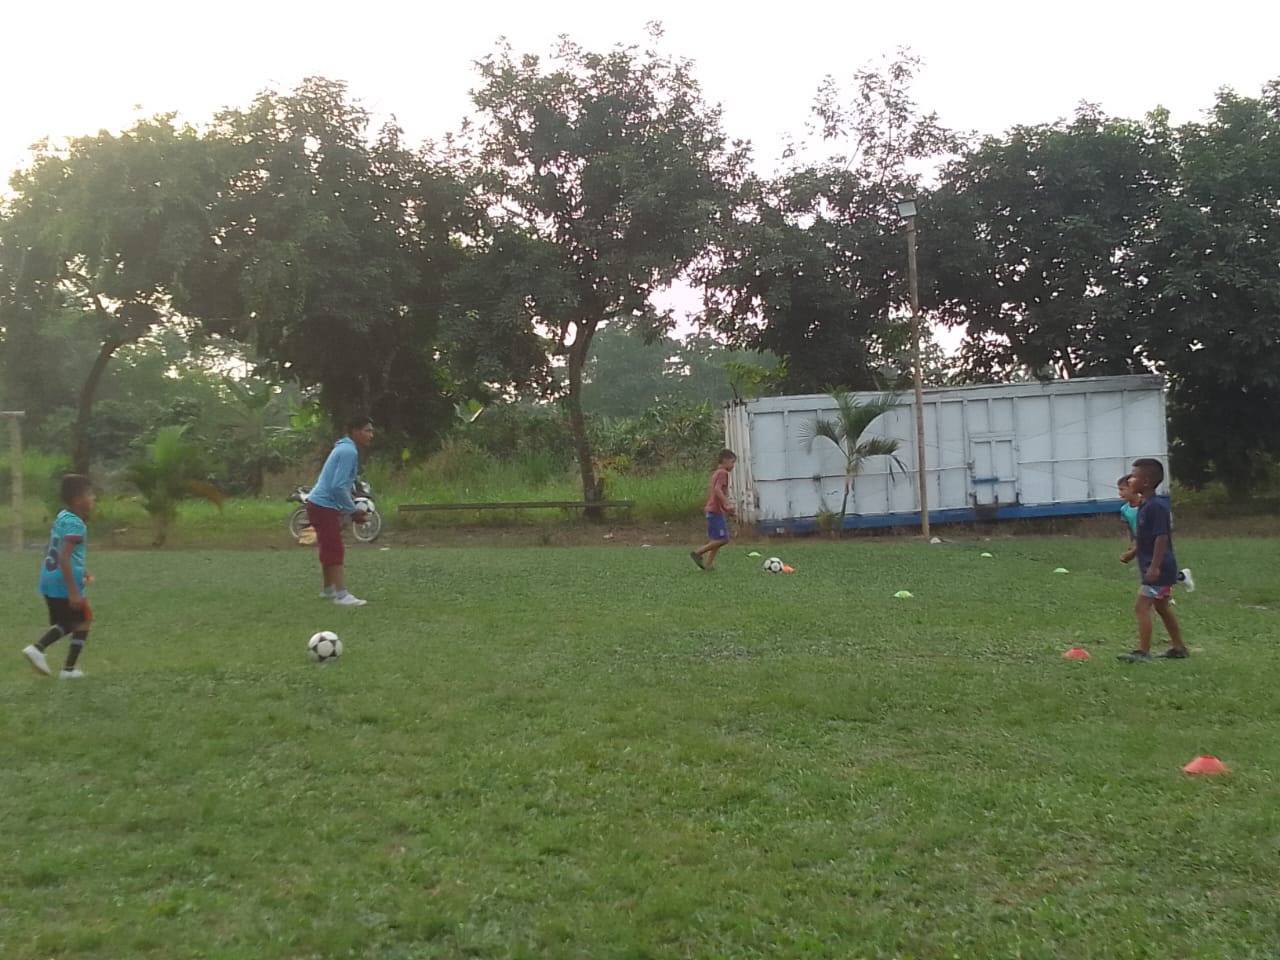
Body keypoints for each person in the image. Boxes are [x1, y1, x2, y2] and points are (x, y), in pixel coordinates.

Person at [23, 474, 96, 679]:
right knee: (83, 620)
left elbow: (54, 548)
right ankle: (46, 655)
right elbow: (64, 557)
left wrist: (81, 569)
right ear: (77, 500)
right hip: (63, 582)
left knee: (71, 622)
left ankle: (62, 665)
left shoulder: (63, 516)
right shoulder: (76, 525)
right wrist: (73, 592)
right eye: (89, 494)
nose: (93, 498)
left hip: (50, 578)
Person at [1118, 458, 1189, 663]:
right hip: (1153, 566)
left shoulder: (1156, 507)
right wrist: (1133, 553)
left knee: (1141, 607)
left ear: (1146, 482)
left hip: (1158, 568)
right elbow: (1145, 538)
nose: (1130, 480)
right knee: (1162, 607)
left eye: (1133, 477)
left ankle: (1143, 652)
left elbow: (1161, 537)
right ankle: (1179, 648)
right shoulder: (1145, 505)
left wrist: (1155, 567)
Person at [308, 414, 375, 606]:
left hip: (319, 504)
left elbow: (341, 485)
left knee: (327, 545)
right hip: (323, 505)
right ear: (355, 432)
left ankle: (328, 589)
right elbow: (338, 486)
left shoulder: (344, 448)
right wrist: (353, 511)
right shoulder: (349, 451)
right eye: (367, 431)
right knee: (334, 547)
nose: (371, 435)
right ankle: (342, 595)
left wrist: (347, 507)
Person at [1118, 473, 1195, 591]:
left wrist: (1133, 552)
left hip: (1151, 540)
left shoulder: (1147, 505)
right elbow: (1128, 527)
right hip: (1141, 541)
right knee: (1151, 570)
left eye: (1122, 489)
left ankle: (1164, 590)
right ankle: (1180, 578)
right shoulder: (1124, 509)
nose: (1120, 493)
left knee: (1156, 569)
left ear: (1133, 489)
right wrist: (1131, 543)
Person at [691, 449, 736, 570]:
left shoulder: (716, 473)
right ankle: (698, 552)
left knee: (716, 540)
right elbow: (717, 490)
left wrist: (726, 510)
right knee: (724, 539)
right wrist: (727, 504)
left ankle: (708, 564)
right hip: (715, 511)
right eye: (732, 462)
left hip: (713, 510)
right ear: (725, 460)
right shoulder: (723, 473)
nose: (733, 466)